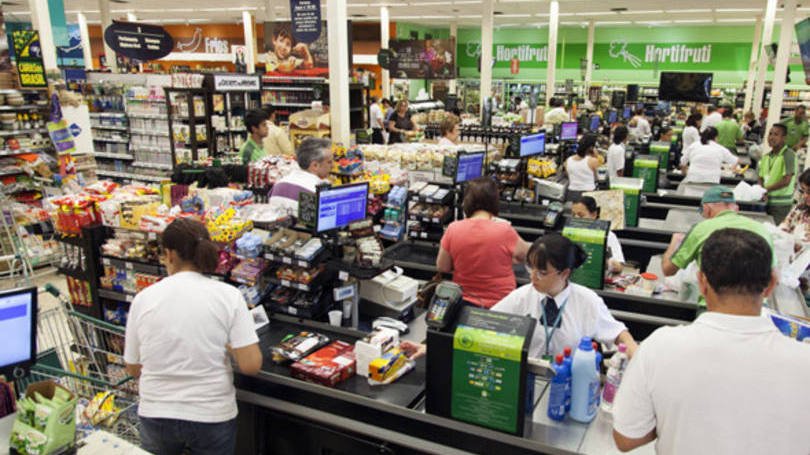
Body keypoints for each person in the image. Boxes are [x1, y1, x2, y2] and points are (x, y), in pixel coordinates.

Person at [613, 228, 810, 454]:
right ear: (772, 283)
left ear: (702, 281)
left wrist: (674, 415)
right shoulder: (805, 361)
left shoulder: (660, 348)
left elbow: (626, 439)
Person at [124, 218, 262, 455]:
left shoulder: (144, 298)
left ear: (169, 255)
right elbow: (251, 365)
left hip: (157, 412)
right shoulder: (229, 296)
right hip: (212, 413)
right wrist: (227, 346)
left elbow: (133, 368)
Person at [491, 234, 638, 359]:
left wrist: (637, 358)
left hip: (569, 380)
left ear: (565, 273)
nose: (532, 276)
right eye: (530, 267)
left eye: (542, 272)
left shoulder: (586, 301)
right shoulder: (522, 296)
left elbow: (619, 334)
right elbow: (487, 321)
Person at [437, 177, 530, 308]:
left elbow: (443, 266)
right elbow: (528, 255)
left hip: (464, 302)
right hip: (503, 304)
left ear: (466, 201)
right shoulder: (504, 230)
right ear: (494, 201)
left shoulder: (453, 229)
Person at [661, 185, 772, 277]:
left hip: (712, 302)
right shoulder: (761, 229)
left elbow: (668, 270)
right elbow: (774, 275)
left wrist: (673, 243)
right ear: (736, 208)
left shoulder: (701, 229)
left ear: (706, 208)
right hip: (756, 303)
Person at [268, 137, 333, 216]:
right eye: (329, 162)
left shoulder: (278, 185)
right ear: (315, 165)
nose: (332, 166)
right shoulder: (319, 192)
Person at [571, 196, 625, 273]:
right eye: (573, 215)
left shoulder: (608, 236)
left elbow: (619, 267)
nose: (576, 219)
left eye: (581, 215)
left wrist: (606, 261)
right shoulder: (568, 233)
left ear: (594, 214)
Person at [759, 123, 797, 224]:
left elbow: (786, 180)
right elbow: (760, 177)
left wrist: (765, 189)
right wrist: (761, 190)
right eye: (770, 134)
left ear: (784, 138)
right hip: (766, 202)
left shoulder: (788, 155)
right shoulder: (766, 156)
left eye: (776, 134)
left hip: (781, 205)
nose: (771, 137)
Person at [779, 167, 810, 242]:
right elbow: (784, 227)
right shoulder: (799, 209)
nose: (805, 196)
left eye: (809, 192)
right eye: (803, 191)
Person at [565, 133, 600, 198]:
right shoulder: (593, 161)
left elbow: (568, 177)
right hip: (589, 195)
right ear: (591, 148)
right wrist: (596, 156)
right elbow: (597, 178)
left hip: (572, 194)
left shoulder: (568, 160)